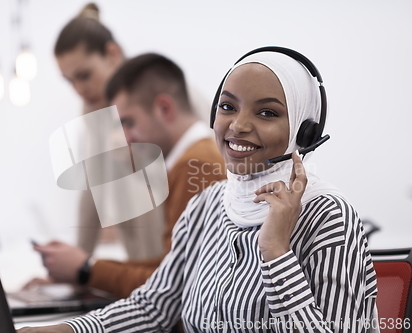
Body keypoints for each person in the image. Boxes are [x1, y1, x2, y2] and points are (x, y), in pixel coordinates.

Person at [19, 48, 378, 333]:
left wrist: (276, 253)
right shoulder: (208, 205)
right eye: (227, 107)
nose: (237, 126)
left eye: (267, 113)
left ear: (305, 131)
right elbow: (153, 307)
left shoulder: (328, 216)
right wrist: (63, 329)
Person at [34, 53, 226, 299]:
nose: (126, 137)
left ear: (164, 108)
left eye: (129, 122)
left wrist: (86, 270)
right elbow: (172, 269)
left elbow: (174, 289)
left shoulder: (195, 166)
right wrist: (88, 266)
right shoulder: (191, 160)